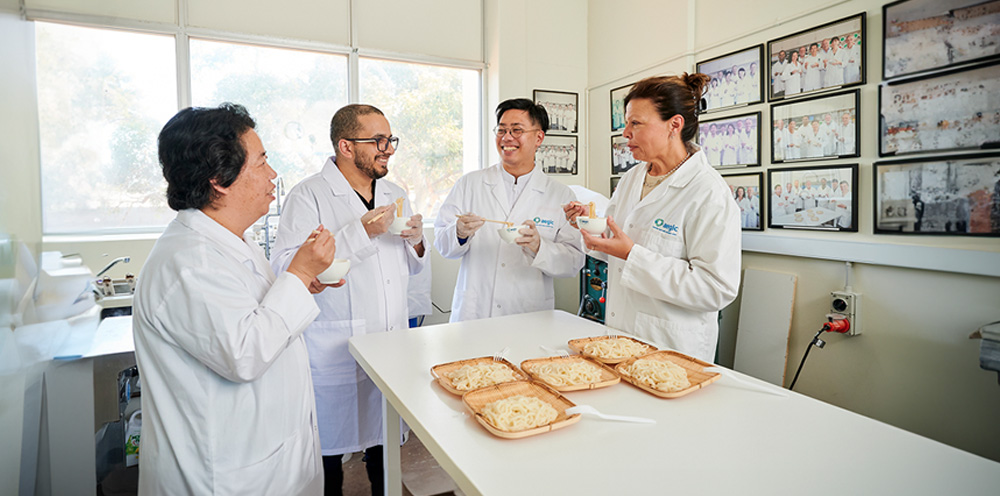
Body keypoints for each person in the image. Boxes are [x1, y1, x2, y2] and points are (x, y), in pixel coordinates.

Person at [133, 103, 340, 495]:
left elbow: (247, 313)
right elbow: (244, 352)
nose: (273, 175)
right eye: (262, 162)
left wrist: (298, 284)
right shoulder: (188, 263)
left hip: (269, 458)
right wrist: (298, 274)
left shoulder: (227, 242)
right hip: (224, 476)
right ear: (220, 179)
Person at [270, 104, 427, 496]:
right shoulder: (308, 196)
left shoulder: (395, 192)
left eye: (390, 139)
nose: (387, 148)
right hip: (334, 345)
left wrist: (417, 241)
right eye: (377, 141)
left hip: (389, 338)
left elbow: (411, 265)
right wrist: (360, 232)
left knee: (384, 443)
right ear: (345, 146)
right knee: (328, 455)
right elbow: (286, 268)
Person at [563, 74, 741, 363]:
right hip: (620, 336)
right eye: (626, 123)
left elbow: (715, 289)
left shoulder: (708, 193)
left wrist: (633, 255)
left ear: (674, 125)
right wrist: (592, 228)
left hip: (672, 347)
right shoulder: (633, 178)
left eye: (636, 123)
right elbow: (615, 244)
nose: (625, 133)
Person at [434, 98, 584, 322]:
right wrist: (459, 233)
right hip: (476, 313)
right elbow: (442, 244)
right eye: (502, 130)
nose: (507, 138)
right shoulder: (470, 184)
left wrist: (538, 246)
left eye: (517, 130)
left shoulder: (560, 196)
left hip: (528, 313)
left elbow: (573, 262)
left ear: (539, 138)